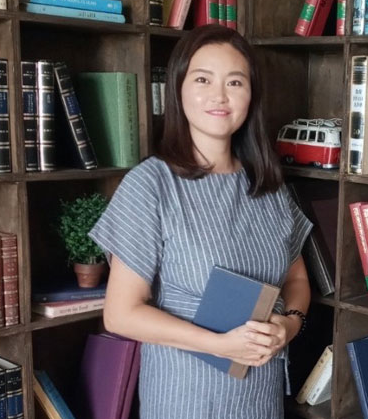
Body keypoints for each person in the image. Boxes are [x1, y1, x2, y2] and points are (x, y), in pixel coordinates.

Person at [88, 24, 313, 418]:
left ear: (251, 96)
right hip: (183, 394)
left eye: (235, 82)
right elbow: (120, 313)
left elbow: (296, 281)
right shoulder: (151, 184)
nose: (219, 96)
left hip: (260, 395)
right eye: (203, 79)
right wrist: (219, 345)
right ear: (178, 88)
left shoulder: (269, 187)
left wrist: (288, 328)